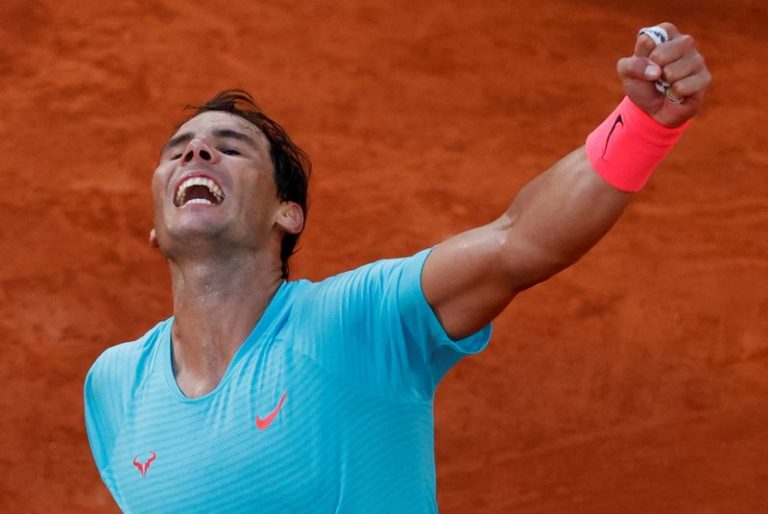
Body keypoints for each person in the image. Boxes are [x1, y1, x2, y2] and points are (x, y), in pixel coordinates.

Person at [84, 22, 711, 513]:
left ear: (288, 214)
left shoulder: (358, 323)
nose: (197, 150)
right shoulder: (114, 387)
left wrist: (644, 128)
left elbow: (518, 242)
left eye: (230, 147)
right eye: (180, 150)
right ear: (155, 225)